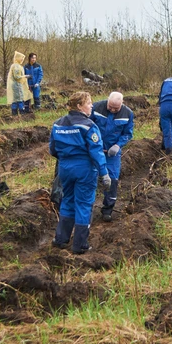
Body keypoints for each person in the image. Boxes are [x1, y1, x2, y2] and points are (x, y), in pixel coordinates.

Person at [50, 92, 111, 253]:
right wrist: (104, 173)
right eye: (89, 103)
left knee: (68, 200)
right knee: (83, 204)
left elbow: (53, 149)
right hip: (84, 169)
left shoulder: (58, 124)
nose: (92, 105)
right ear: (79, 106)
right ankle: (80, 245)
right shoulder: (89, 126)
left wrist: (66, 159)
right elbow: (96, 152)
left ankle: (61, 239)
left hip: (65, 169)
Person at [91, 91, 134, 222]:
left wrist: (118, 145)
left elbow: (128, 133)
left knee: (112, 180)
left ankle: (108, 209)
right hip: (94, 150)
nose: (112, 110)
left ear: (122, 103)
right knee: (89, 176)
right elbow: (87, 126)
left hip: (112, 153)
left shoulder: (128, 114)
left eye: (116, 108)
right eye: (110, 107)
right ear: (107, 101)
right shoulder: (96, 107)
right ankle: (87, 207)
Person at [6, 51, 33, 116]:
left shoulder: (16, 65)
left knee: (15, 100)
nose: (22, 60)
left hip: (17, 85)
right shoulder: (16, 66)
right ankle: (22, 113)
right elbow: (17, 77)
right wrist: (26, 76)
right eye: (21, 58)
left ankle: (14, 114)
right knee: (19, 99)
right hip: (17, 85)